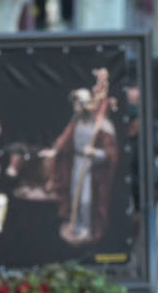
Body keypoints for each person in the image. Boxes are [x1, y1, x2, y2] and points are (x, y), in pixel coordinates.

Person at [41, 86, 118, 246]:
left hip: (92, 167)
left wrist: (96, 153)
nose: (75, 107)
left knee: (86, 197)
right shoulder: (75, 122)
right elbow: (64, 139)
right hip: (76, 163)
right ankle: (75, 223)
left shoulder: (101, 126)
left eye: (77, 103)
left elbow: (110, 152)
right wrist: (54, 151)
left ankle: (86, 227)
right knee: (74, 193)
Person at [118, 85, 158, 293]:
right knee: (128, 262)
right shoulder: (118, 140)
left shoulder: (152, 139)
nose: (132, 125)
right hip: (126, 209)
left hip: (149, 205)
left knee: (149, 259)